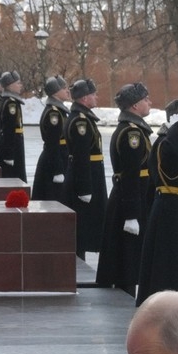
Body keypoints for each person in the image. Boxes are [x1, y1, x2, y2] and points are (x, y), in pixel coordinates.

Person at [96, 81, 155, 295]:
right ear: (134, 106)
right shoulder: (133, 134)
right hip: (130, 199)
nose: (150, 103)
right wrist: (132, 214)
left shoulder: (135, 130)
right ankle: (125, 296)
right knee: (128, 256)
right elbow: (131, 175)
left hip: (130, 197)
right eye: (146, 100)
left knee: (127, 254)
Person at [137, 98, 178, 301]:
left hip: (174, 209)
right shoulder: (167, 143)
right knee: (167, 262)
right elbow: (171, 157)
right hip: (169, 210)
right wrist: (176, 128)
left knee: (175, 262)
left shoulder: (175, 142)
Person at [62, 77, 107, 259]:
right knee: (82, 226)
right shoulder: (81, 121)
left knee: (85, 225)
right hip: (85, 179)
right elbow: (81, 156)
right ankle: (78, 263)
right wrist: (85, 188)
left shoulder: (84, 118)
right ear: (84, 99)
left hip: (90, 175)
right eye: (93, 94)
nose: (96, 97)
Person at [31, 76, 70, 200]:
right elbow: (52, 143)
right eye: (64, 88)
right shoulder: (54, 113)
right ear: (56, 92)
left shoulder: (58, 111)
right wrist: (57, 170)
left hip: (58, 157)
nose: (68, 91)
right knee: (52, 197)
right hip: (53, 161)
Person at [0, 71, 27, 181]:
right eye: (18, 83)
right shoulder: (10, 103)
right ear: (10, 85)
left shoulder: (11, 101)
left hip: (14, 143)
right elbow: (8, 129)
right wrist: (9, 154)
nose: (20, 85)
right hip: (12, 145)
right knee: (11, 176)